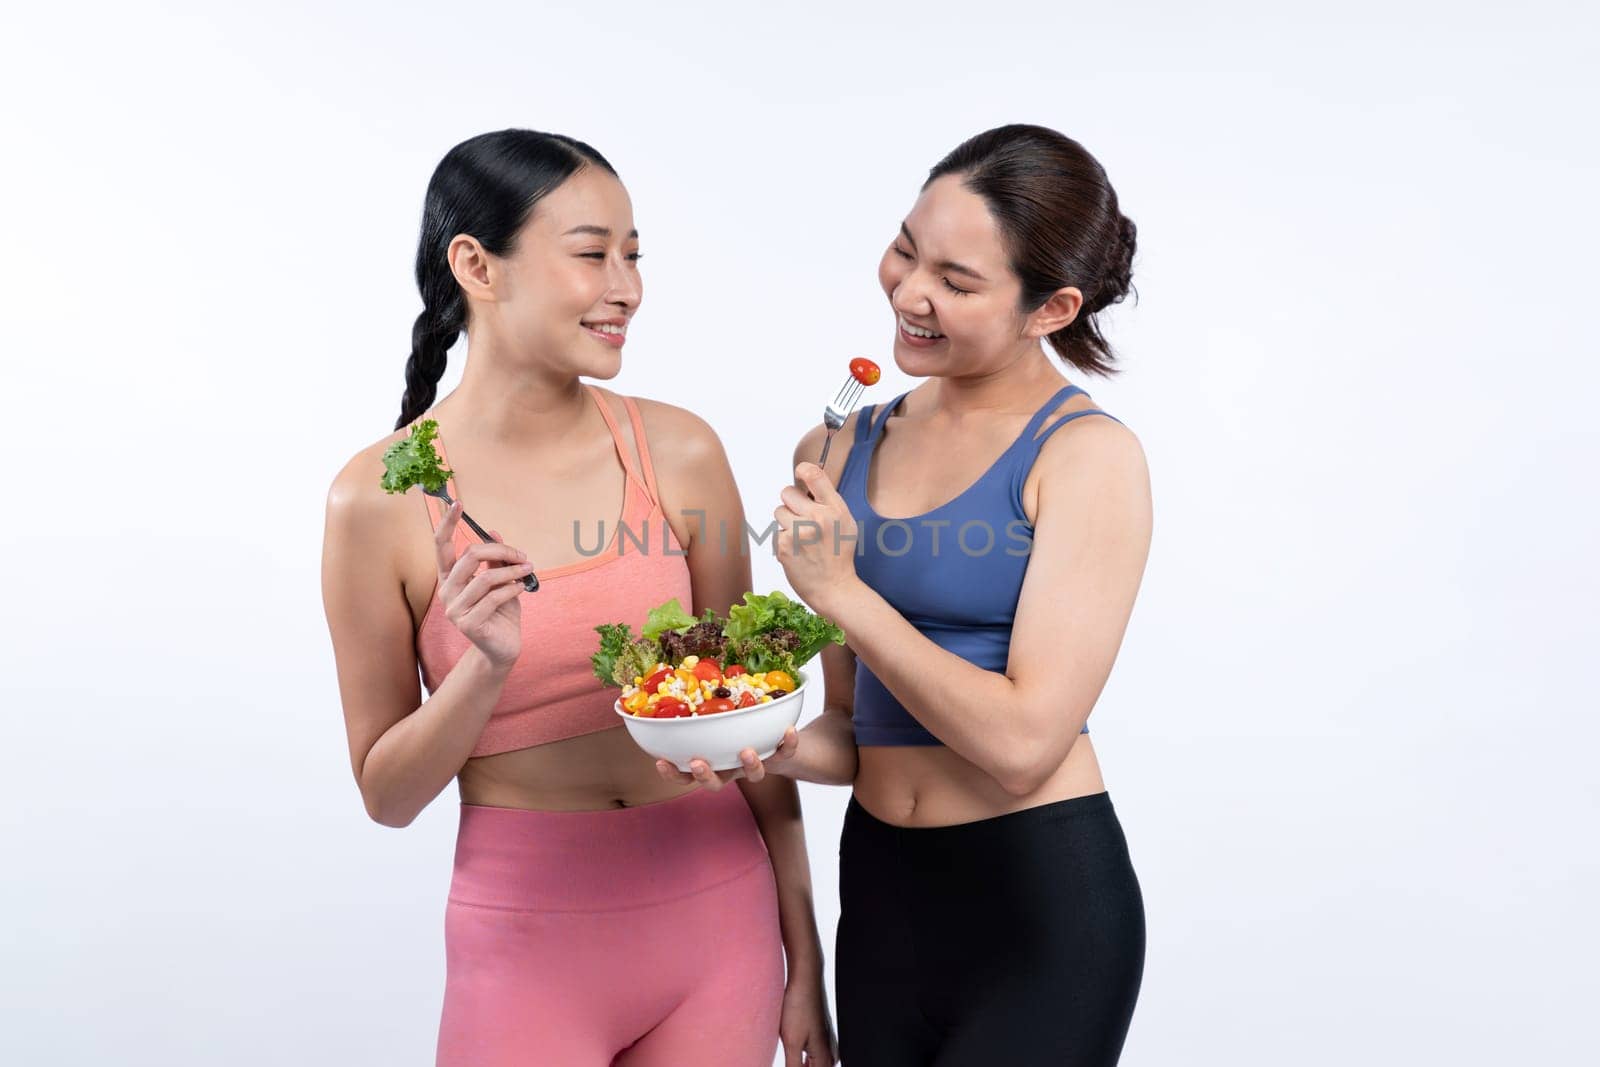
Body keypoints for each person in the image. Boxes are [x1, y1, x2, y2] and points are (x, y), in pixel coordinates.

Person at [321, 128, 836, 1067]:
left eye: (634, 256)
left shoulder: (677, 452)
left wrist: (806, 958)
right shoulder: (379, 500)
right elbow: (387, 797)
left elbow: (754, 723)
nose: (627, 288)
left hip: (719, 922)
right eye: (593, 254)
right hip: (526, 940)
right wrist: (484, 669)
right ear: (476, 264)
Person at [666, 123, 1150, 1065]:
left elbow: (1022, 744)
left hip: (1039, 901)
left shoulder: (1088, 458)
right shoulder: (838, 448)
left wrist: (842, 591)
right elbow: (858, 732)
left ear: (1050, 307)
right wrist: (741, 743)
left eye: (958, 282)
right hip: (883, 895)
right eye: (904, 249)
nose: (910, 293)